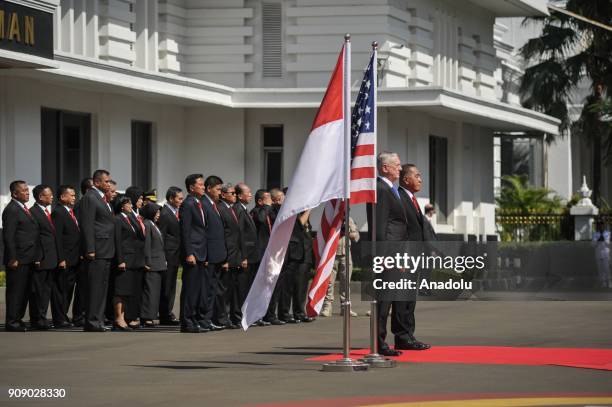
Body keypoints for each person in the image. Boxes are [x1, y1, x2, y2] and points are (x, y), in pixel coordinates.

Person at [366, 152, 412, 356]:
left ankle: (381, 341)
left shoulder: (389, 188)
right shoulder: (380, 188)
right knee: (383, 301)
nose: (400, 169)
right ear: (385, 168)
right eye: (397, 165)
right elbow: (380, 225)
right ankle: (379, 343)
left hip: (395, 252)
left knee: (389, 298)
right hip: (388, 253)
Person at [397, 163, 431, 350]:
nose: (420, 179)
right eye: (417, 175)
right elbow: (400, 230)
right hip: (405, 257)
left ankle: (408, 335)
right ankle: (403, 336)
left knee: (410, 299)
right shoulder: (400, 198)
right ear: (406, 179)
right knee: (403, 299)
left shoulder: (411, 199)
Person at [3, 181, 41, 331]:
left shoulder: (24, 209)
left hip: (28, 257)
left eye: (27, 190)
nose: (27, 192)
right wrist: (13, 258)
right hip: (18, 258)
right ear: (14, 194)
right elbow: (9, 236)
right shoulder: (12, 209)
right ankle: (12, 322)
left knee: (24, 291)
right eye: (24, 190)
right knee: (16, 292)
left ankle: (18, 319)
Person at [80, 169, 115, 332]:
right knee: (95, 287)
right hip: (97, 250)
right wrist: (90, 248)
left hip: (106, 249)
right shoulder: (90, 198)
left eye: (109, 181)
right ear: (96, 182)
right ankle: (92, 321)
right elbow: (87, 224)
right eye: (106, 181)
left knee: (102, 287)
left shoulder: (102, 198)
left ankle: (98, 319)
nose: (108, 184)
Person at [234, 183, 268, 326]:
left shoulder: (244, 209)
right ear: (239, 195)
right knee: (241, 288)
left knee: (248, 287)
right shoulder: (239, 210)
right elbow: (240, 235)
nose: (250, 195)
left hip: (252, 255)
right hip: (246, 256)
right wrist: (243, 256)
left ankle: (247, 315)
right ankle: (239, 316)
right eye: (247, 192)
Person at [179, 174, 208, 333]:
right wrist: (189, 253)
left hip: (201, 252)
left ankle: (194, 318)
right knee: (190, 288)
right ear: (191, 187)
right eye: (201, 184)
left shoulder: (198, 203)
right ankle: (187, 321)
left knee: (197, 289)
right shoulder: (188, 204)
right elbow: (186, 230)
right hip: (193, 253)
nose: (203, 187)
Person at [112, 195, 145, 331]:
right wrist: (120, 260)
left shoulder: (131, 218)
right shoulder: (118, 219)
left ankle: (128, 317)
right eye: (128, 203)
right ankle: (119, 318)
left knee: (131, 290)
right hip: (125, 259)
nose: (131, 206)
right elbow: (118, 241)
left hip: (135, 260)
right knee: (121, 290)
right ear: (121, 206)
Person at [251, 189, 284, 325]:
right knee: (260, 286)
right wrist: (267, 206)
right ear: (260, 201)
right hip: (261, 253)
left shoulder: (271, 211)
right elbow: (261, 219)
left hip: (272, 253)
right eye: (267, 198)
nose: (270, 201)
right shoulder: (257, 211)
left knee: (272, 284)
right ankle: (257, 315)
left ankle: (270, 314)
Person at [51, 185, 81, 329]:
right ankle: (59, 319)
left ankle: (63, 316)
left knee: (68, 290)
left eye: (75, 195)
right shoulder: (58, 212)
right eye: (71, 195)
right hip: (65, 259)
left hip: (74, 258)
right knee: (61, 290)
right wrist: (61, 258)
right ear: (63, 197)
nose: (74, 197)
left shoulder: (70, 211)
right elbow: (57, 237)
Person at [28, 185, 58, 330]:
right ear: (40, 197)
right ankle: (37, 319)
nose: (52, 197)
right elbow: (35, 237)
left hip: (50, 257)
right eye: (49, 194)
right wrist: (37, 257)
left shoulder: (47, 212)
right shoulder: (33, 212)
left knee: (46, 290)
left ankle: (42, 317)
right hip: (41, 257)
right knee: (38, 290)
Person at [201, 175, 228, 330]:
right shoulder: (204, 205)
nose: (220, 192)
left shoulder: (214, 205)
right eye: (218, 189)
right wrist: (204, 255)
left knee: (213, 289)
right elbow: (203, 232)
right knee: (207, 290)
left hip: (218, 255)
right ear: (209, 189)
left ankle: (209, 319)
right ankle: (204, 319)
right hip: (209, 256)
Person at [218, 183, 246, 329]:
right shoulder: (222, 209)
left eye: (235, 193)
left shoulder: (231, 209)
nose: (235, 195)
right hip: (227, 257)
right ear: (223, 195)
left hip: (235, 256)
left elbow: (236, 235)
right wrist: (226, 259)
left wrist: (240, 257)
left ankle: (231, 317)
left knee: (233, 290)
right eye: (232, 193)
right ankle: (223, 317)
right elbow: (224, 236)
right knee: (225, 290)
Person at [320, 216, 360, 317]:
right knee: (329, 282)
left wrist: (347, 232)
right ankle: (327, 306)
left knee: (346, 282)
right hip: (332, 254)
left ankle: (345, 307)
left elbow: (356, 237)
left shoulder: (349, 219)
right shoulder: (331, 217)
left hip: (345, 254)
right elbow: (324, 234)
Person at [157, 186, 183, 325]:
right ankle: (164, 314)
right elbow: (162, 236)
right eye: (179, 198)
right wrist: (163, 257)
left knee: (172, 285)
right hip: (169, 254)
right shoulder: (165, 213)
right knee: (167, 287)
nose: (181, 201)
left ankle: (168, 312)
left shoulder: (175, 212)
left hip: (175, 255)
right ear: (171, 198)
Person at [140, 203, 167, 327]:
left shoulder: (153, 225)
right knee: (150, 291)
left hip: (159, 262)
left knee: (155, 292)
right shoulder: (147, 224)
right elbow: (147, 245)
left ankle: (151, 315)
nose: (158, 215)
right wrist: (147, 262)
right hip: (152, 264)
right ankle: (147, 317)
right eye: (156, 213)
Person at [124, 186, 146, 328]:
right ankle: (129, 316)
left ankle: (135, 314)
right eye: (139, 199)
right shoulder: (127, 214)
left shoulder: (138, 214)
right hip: (130, 257)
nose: (141, 201)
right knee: (129, 289)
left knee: (138, 288)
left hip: (139, 258)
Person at [71, 177, 93, 327]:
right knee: (82, 286)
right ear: (87, 190)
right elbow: (81, 230)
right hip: (83, 252)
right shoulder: (82, 205)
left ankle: (85, 313)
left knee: (89, 286)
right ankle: (79, 315)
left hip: (89, 251)